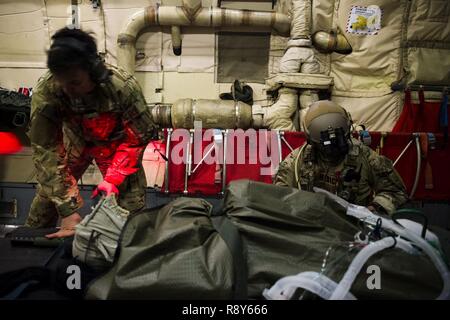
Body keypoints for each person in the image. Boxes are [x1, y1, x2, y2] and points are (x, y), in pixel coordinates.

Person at [25, 27, 157, 238]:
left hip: (117, 145)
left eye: (75, 82)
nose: (68, 89)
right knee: (46, 201)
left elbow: (137, 138)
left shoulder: (121, 88)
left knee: (133, 215)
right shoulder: (47, 91)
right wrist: (68, 210)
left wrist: (113, 178)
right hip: (75, 141)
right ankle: (28, 255)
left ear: (94, 72)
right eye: (62, 82)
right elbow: (46, 150)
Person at [274, 100, 408, 215]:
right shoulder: (297, 160)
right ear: (312, 142)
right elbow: (279, 195)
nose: (333, 149)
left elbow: (396, 191)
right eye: (326, 145)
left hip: (354, 227)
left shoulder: (365, 157)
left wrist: (374, 208)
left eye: (338, 141)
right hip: (311, 224)